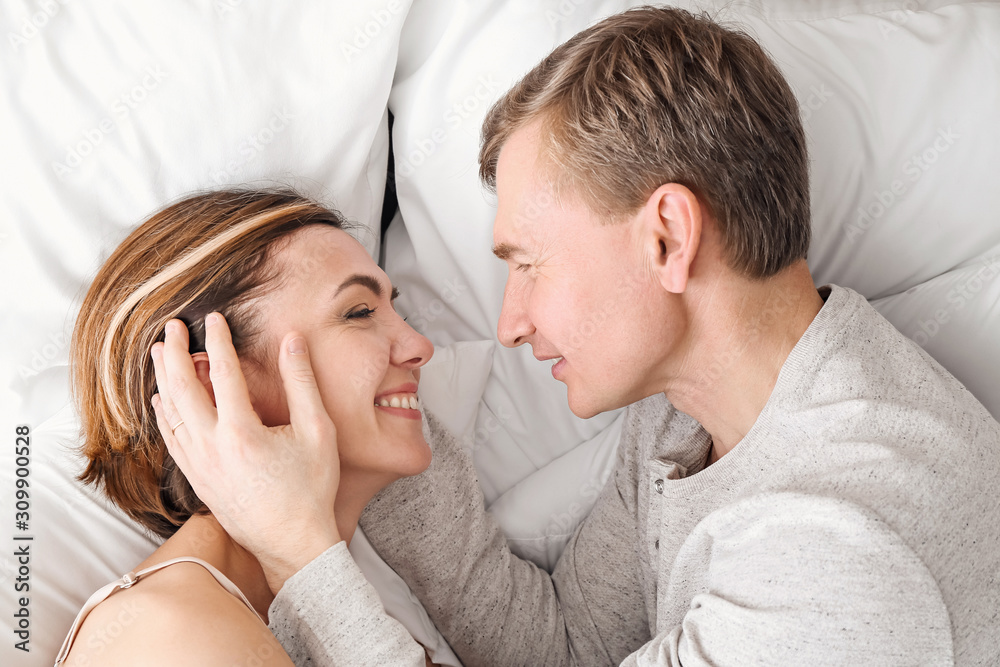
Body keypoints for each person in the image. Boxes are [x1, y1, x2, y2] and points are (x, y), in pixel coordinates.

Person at [156, 7, 1000, 667]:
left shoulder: (836, 556)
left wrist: (305, 554)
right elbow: (566, 652)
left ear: (667, 236)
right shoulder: (692, 416)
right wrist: (361, 424)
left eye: (530, 264)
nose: (510, 323)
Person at [57, 189, 438, 666]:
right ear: (214, 386)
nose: (420, 344)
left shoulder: (323, 600)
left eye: (394, 310)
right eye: (359, 312)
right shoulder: (172, 640)